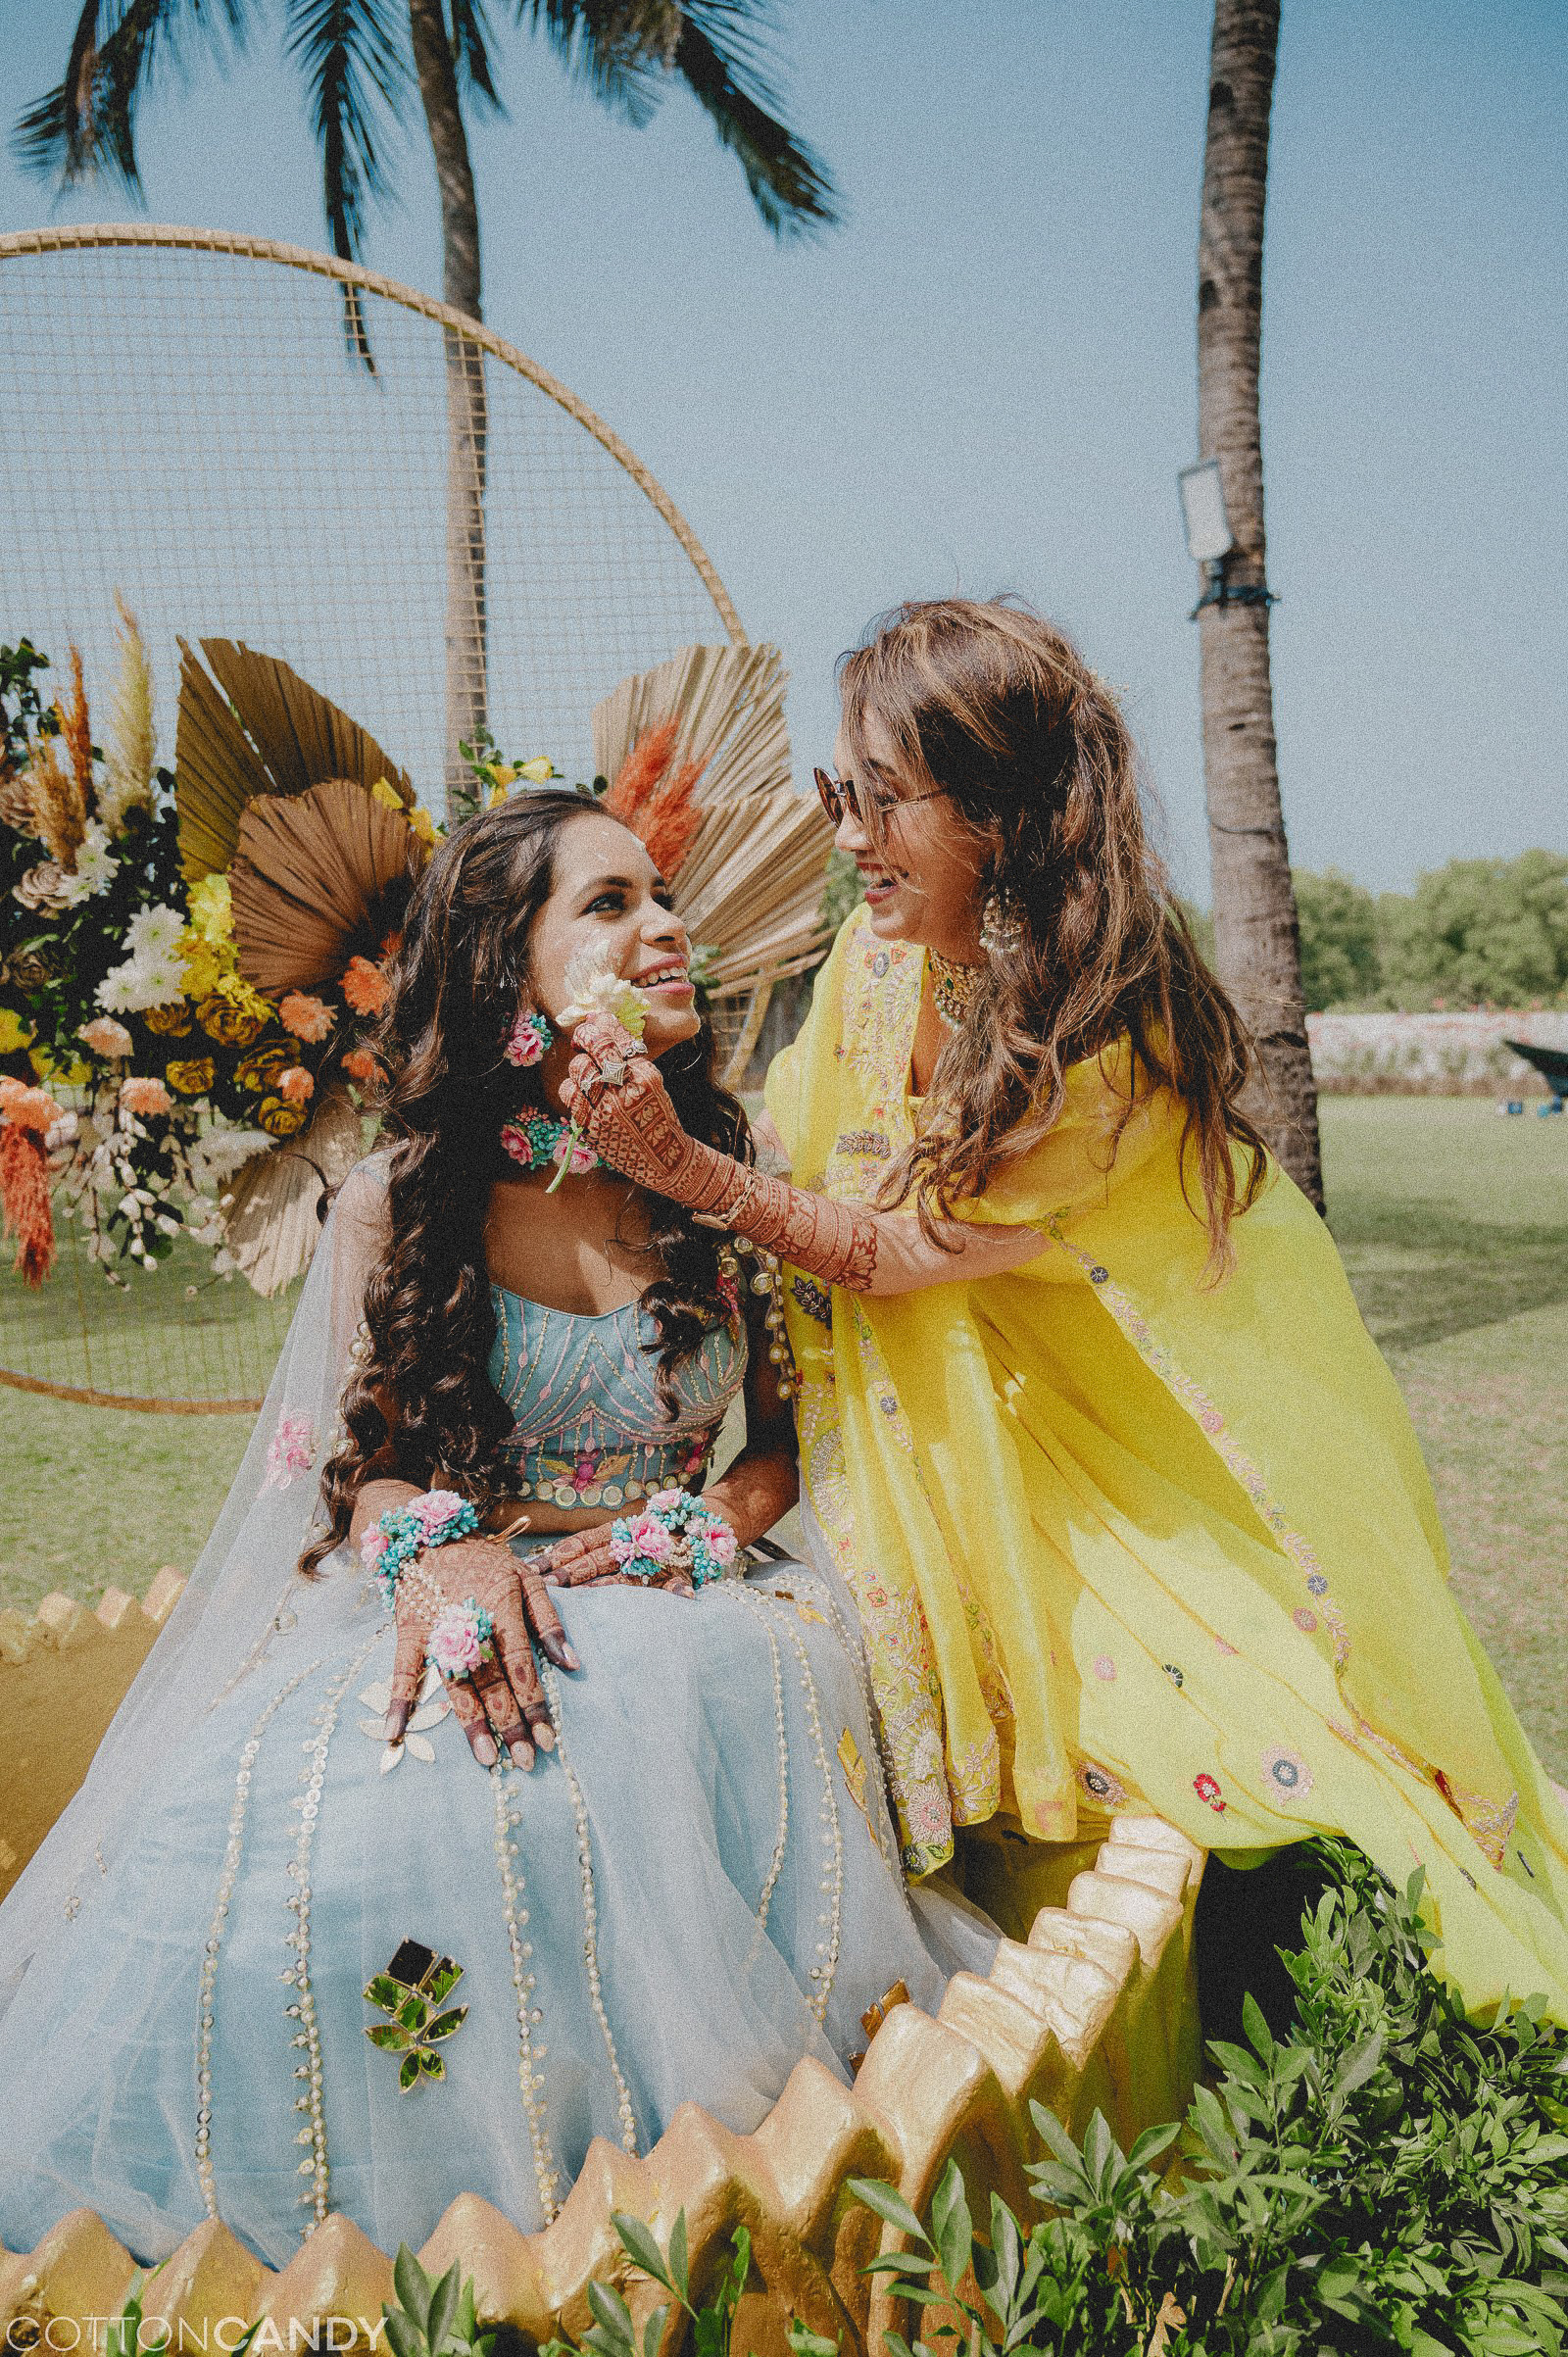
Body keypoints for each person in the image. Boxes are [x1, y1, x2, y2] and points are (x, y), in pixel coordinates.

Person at [0, 790, 994, 2269]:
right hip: (469, 1585)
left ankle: (704, 2217)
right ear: (501, 963)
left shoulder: (727, 1166)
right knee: (323, 1827)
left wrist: (706, 1525)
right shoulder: (399, 1199)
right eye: (609, 904)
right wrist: (444, 1557)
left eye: (663, 895)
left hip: (701, 1597)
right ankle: (415, 2231)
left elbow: (783, 1445)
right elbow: (365, 1474)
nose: (666, 927)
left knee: (668, 1703)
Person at [560, 595, 1568, 2026]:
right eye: (842, 795)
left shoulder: (1105, 1027)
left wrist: (689, 1172)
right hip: (918, 1448)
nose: (849, 839)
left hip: (1084, 1442)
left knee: (1241, 1740)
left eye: (885, 802)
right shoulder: (877, 955)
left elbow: (894, 1249)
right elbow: (803, 1148)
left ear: (1002, 813)